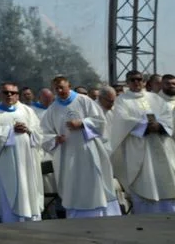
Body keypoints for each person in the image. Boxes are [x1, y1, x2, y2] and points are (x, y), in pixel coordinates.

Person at [39, 76, 120, 218]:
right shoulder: (53, 109)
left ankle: (98, 213)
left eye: (62, 87)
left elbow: (100, 122)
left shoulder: (84, 101)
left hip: (88, 150)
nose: (59, 91)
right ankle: (76, 215)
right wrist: (55, 139)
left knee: (93, 182)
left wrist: (82, 123)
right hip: (67, 153)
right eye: (56, 88)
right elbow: (44, 133)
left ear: (69, 86)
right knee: (72, 184)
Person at [109, 70, 175, 213]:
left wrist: (160, 125)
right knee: (145, 180)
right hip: (139, 147)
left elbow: (168, 115)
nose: (136, 82)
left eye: (139, 79)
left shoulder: (155, 98)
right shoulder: (122, 100)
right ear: (128, 82)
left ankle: (172, 211)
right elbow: (122, 120)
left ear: (144, 82)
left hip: (161, 145)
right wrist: (144, 126)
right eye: (132, 80)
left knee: (167, 181)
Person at [0, 81, 44, 222]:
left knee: (29, 187)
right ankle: (11, 222)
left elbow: (39, 132)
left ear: (18, 95)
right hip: (8, 164)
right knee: (10, 191)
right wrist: (11, 130)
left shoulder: (27, 111)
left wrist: (28, 130)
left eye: (13, 93)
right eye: (6, 92)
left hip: (28, 161)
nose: (9, 95)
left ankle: (33, 219)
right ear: (0, 94)